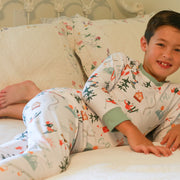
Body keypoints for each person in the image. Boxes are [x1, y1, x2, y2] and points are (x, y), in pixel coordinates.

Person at [0, 10, 179, 179]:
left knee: (13, 152)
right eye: (161, 44)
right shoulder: (121, 63)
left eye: (177, 49)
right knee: (49, 160)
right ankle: (32, 94)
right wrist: (130, 130)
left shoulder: (174, 95)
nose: (167, 55)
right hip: (64, 106)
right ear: (144, 44)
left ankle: (21, 105)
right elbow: (92, 90)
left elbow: (161, 143)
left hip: (71, 135)